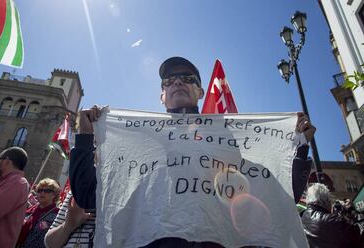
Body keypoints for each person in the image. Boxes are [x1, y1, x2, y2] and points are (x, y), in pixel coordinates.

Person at [49, 56, 315, 247]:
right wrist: (84, 136)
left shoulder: (225, 139)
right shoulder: (139, 141)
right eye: (169, 80)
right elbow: (88, 195)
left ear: (199, 91)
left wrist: (300, 148)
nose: (177, 82)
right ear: (161, 95)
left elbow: (272, 195)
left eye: (187, 78)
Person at [301, 183, 363, 248]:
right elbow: (359, 232)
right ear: (325, 201)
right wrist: (352, 211)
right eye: (330, 201)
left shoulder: (303, 217)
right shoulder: (332, 220)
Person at [17, 178, 60, 248]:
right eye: (39, 190)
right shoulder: (30, 210)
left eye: (47, 191)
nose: (42, 193)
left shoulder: (57, 215)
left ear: (54, 195)